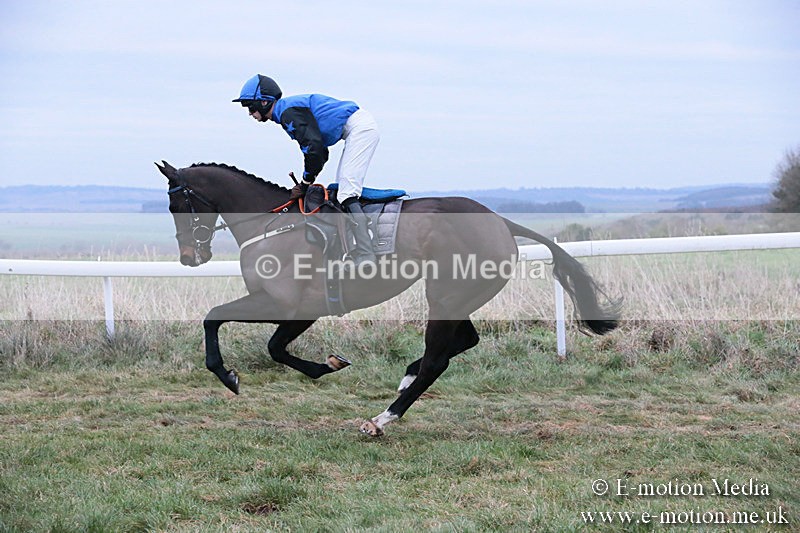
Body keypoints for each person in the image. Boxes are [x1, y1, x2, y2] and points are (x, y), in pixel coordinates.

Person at [233, 74, 378, 268]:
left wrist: (305, 183)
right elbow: (319, 153)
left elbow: (315, 150)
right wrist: (306, 181)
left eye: (250, 106)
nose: (250, 113)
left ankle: (366, 254)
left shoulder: (287, 113)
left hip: (359, 129)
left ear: (264, 102)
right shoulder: (286, 112)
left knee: (347, 192)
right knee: (342, 189)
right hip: (355, 128)